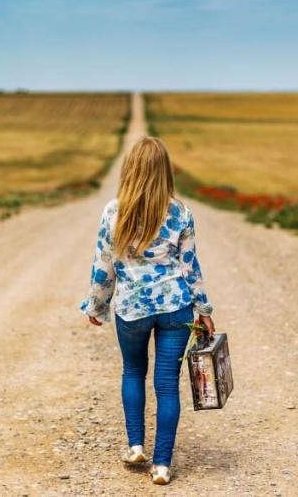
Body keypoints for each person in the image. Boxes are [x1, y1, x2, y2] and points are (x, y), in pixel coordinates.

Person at [80, 136, 215, 486]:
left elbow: (103, 266)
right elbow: (190, 267)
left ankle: (136, 445)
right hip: (175, 307)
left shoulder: (114, 211)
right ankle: (162, 466)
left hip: (132, 309)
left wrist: (97, 304)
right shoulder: (180, 213)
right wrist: (204, 308)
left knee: (133, 372)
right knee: (167, 385)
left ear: (131, 170)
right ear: (164, 172)